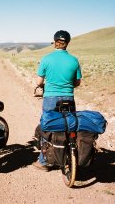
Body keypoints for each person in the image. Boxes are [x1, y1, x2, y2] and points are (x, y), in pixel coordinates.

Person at [33, 30, 82, 171]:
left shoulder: (46, 59)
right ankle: (69, 155)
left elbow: (39, 81)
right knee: (68, 125)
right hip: (68, 98)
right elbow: (77, 83)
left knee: (47, 126)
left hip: (50, 98)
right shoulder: (74, 60)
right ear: (67, 43)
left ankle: (43, 161)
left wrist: (44, 85)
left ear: (55, 42)